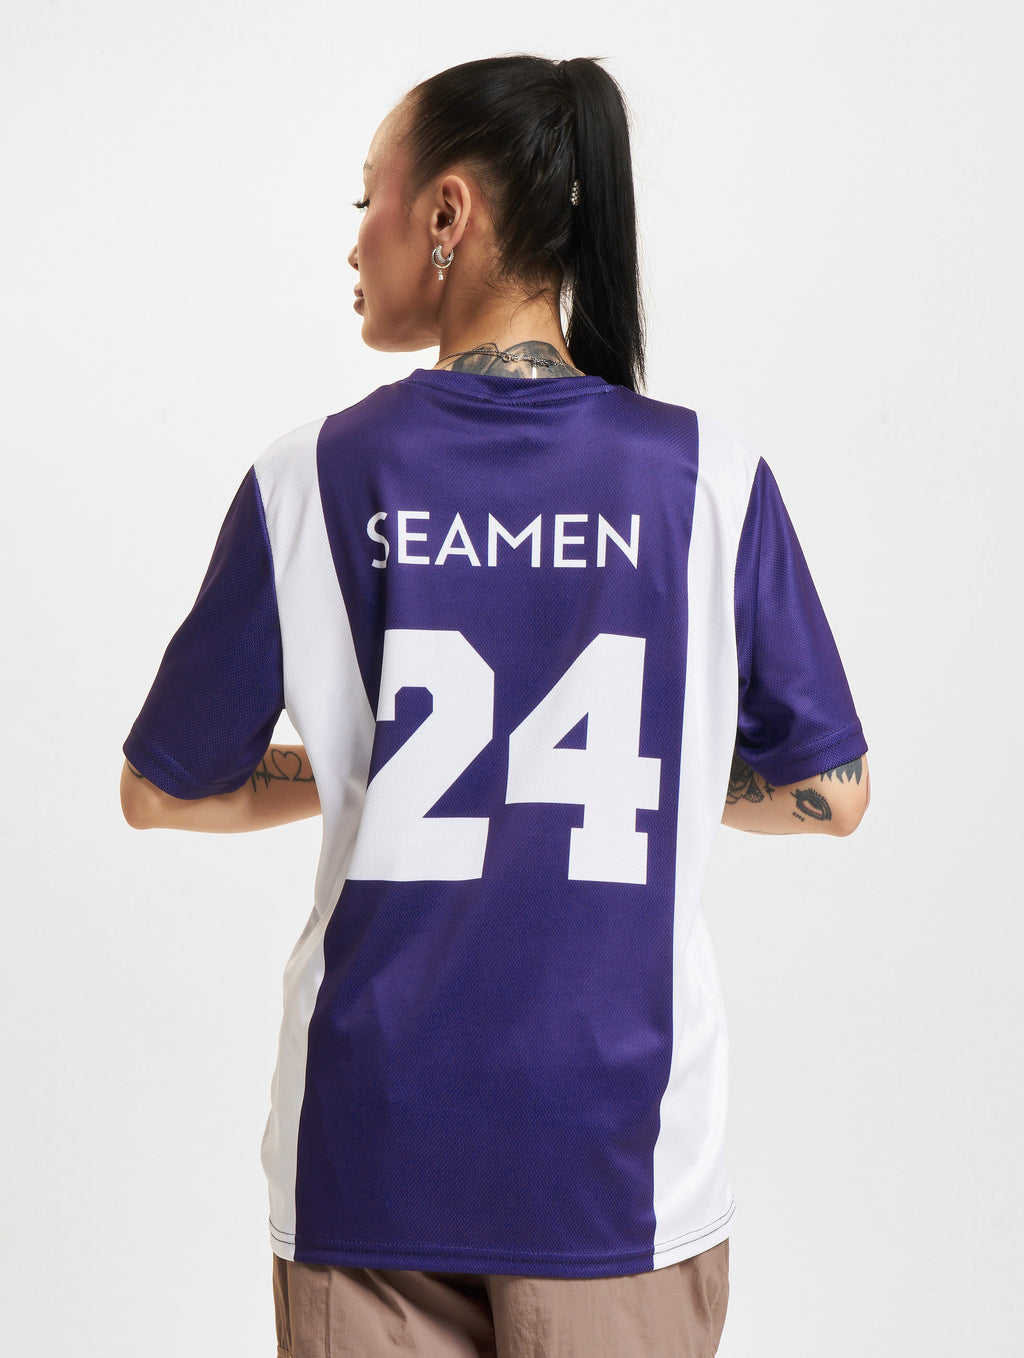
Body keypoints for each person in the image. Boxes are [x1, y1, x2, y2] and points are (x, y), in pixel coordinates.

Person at [120, 53, 869, 1358]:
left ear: (448, 212)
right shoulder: (712, 481)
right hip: (617, 1157)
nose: (355, 240)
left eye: (368, 199)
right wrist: (667, 765)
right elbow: (831, 792)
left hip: (369, 1146)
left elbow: (165, 787)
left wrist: (363, 774)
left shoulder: (311, 476)